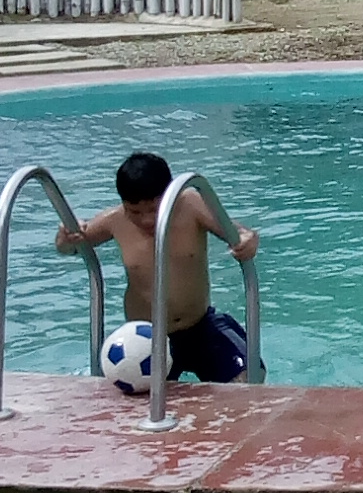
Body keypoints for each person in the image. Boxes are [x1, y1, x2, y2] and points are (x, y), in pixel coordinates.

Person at [56, 150, 259, 383]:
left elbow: (239, 234)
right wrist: (64, 239)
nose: (147, 220)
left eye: (154, 209)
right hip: (146, 336)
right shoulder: (115, 220)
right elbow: (70, 248)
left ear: (171, 193)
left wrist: (248, 240)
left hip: (200, 325)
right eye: (135, 212)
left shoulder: (191, 205)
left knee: (249, 378)